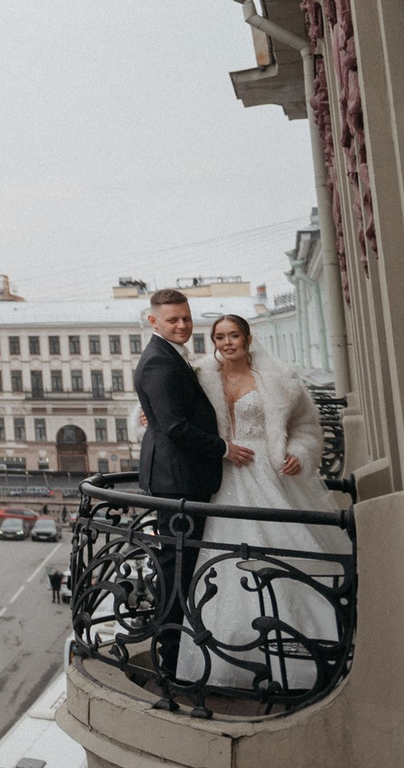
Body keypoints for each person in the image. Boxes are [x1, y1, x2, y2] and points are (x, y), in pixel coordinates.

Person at [175, 313, 351, 692]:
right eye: (220, 337)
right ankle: (227, 661)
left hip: (269, 474)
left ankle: (303, 652)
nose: (227, 343)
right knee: (224, 562)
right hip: (223, 476)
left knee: (283, 549)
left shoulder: (278, 377)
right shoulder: (201, 376)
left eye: (234, 335)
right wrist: (145, 414)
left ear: (247, 338)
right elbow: (174, 411)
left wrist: (298, 453)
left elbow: (307, 427)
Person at [134, 288, 246, 686]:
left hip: (179, 476)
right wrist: (223, 449)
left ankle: (177, 652)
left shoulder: (171, 355)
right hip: (176, 479)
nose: (182, 325)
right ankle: (169, 660)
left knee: (181, 565)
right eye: (172, 319)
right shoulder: (157, 362)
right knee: (176, 569)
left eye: (186, 317)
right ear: (154, 321)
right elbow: (174, 425)